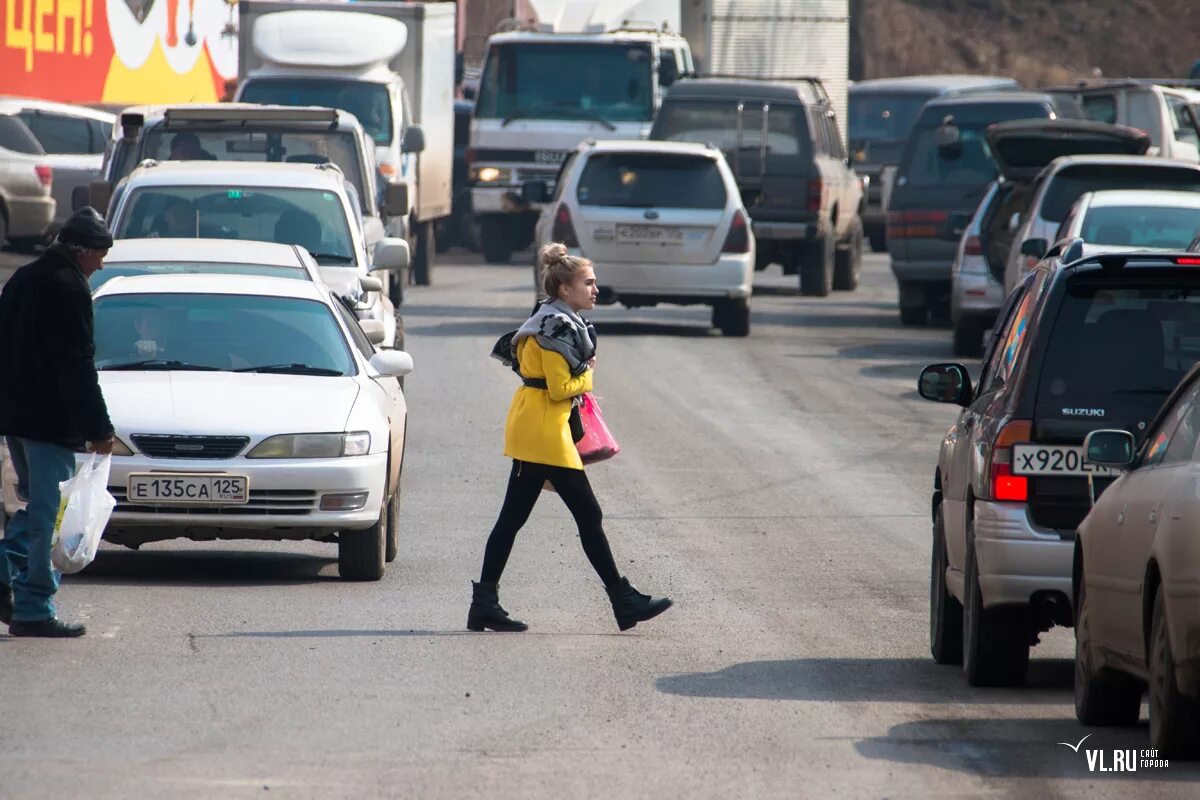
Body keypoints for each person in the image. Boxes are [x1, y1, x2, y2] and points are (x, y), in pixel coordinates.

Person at [469, 243, 672, 633]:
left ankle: (484, 604)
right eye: (588, 283)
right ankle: (623, 600)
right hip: (545, 431)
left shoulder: (547, 321)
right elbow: (562, 387)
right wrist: (589, 373)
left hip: (539, 424)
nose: (595, 289)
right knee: (585, 515)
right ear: (565, 290)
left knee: (513, 519)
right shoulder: (556, 328)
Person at [0, 207, 115, 637]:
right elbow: (77, 367)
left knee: (39, 510)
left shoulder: (23, 278)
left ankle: (6, 572)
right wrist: (99, 429)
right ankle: (33, 608)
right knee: (52, 517)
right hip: (49, 424)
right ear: (82, 251)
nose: (101, 264)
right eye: (100, 255)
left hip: (17, 421)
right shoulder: (69, 288)